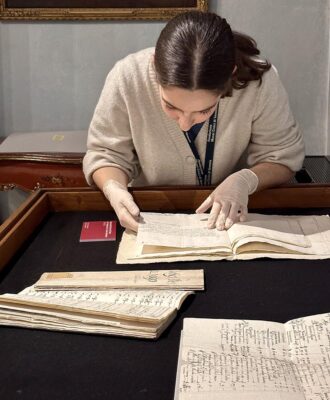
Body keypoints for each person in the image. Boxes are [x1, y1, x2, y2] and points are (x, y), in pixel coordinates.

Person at [83, 11, 304, 232]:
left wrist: (245, 181)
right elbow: (106, 154)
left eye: (204, 110)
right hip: (149, 215)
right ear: (154, 67)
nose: (185, 124)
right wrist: (114, 188)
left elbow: (283, 156)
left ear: (231, 74)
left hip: (230, 220)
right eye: (171, 107)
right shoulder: (127, 77)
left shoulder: (260, 82)